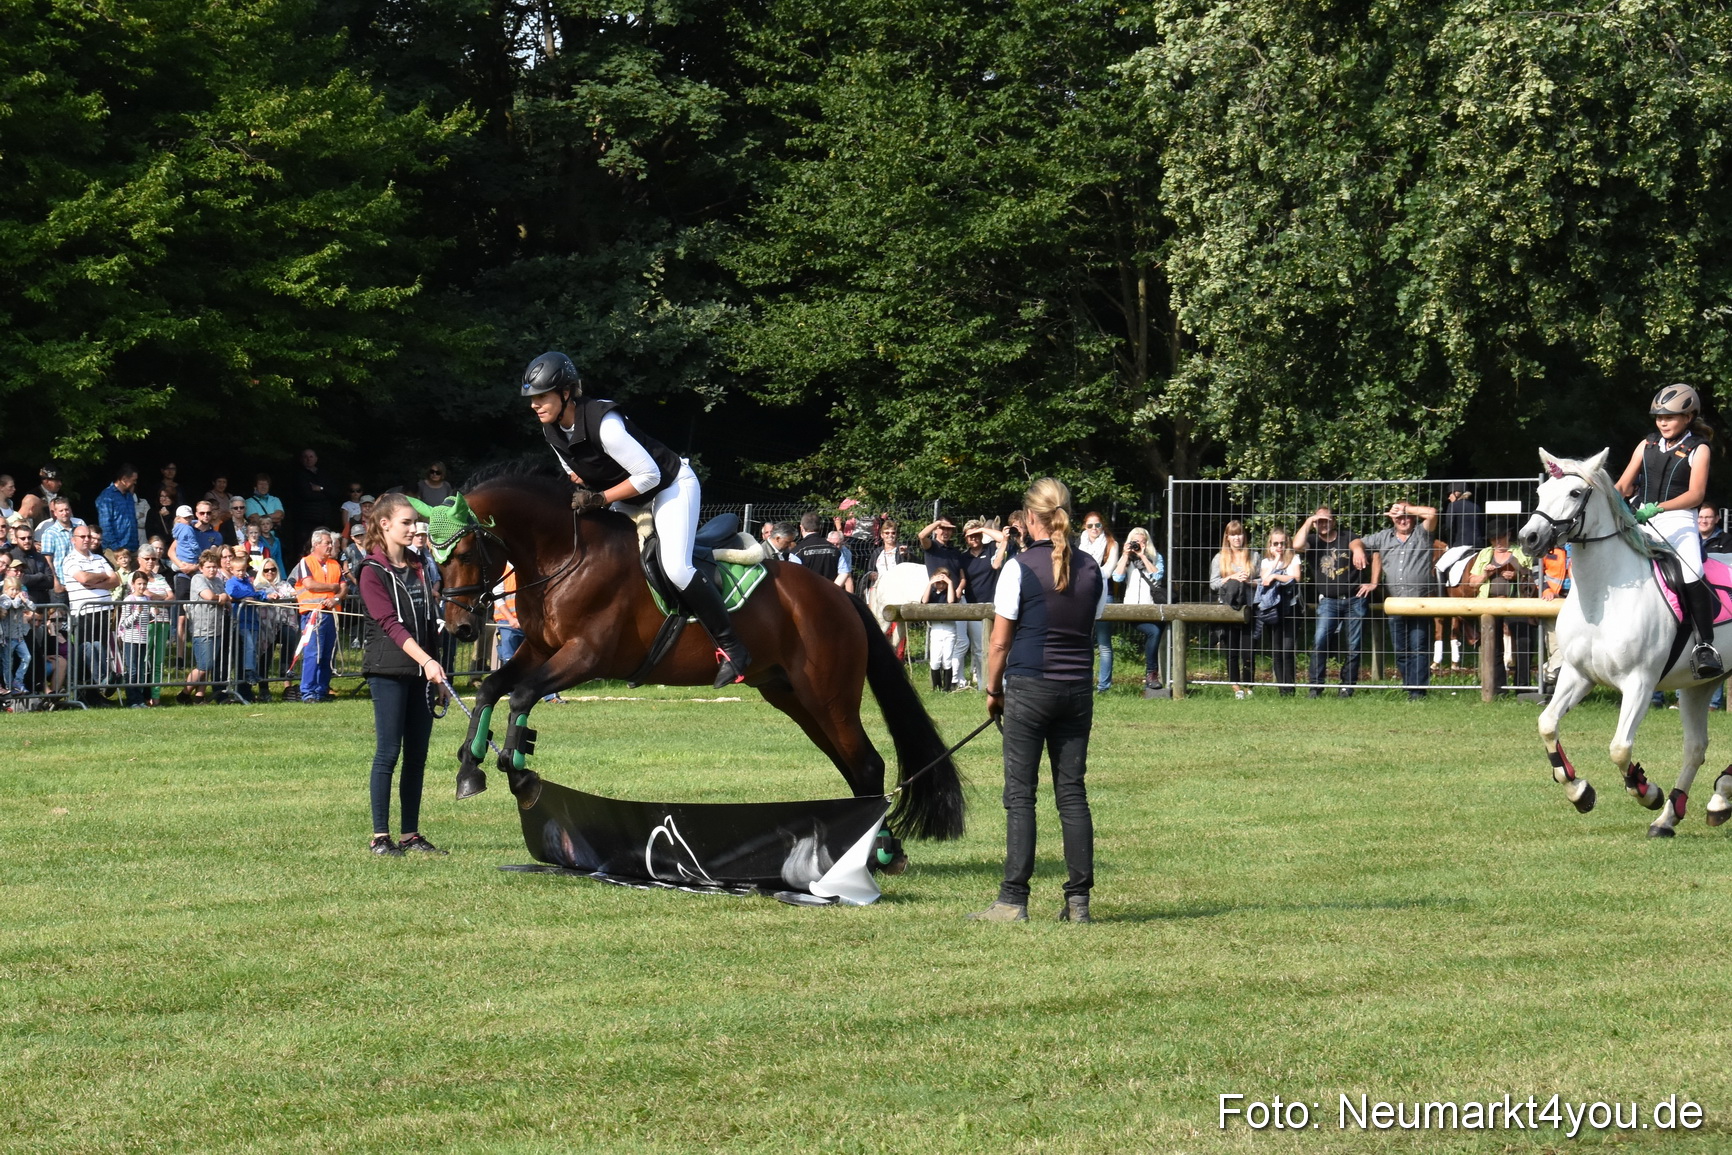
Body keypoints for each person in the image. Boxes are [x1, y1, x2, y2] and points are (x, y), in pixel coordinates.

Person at [523, 350, 749, 687]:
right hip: (627, 497)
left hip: (670, 486)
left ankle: (733, 647)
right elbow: (575, 471)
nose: (534, 405)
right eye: (532, 399)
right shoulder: (551, 430)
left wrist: (600, 498)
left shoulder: (605, 424)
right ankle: (638, 652)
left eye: (541, 397)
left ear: (566, 393)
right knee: (609, 562)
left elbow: (650, 475)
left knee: (676, 567)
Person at [972, 478, 1107, 924]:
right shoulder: (1092, 569)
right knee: (1072, 794)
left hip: (1030, 687)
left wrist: (993, 692)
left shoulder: (1018, 567)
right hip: (1077, 690)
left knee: (1020, 795)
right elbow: (1090, 622)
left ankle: (1013, 900)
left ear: (1030, 517)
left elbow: (999, 643)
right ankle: (1079, 903)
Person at [358, 493, 450, 856]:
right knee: (388, 753)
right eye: (406, 523)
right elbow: (390, 624)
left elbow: (429, 622)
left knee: (417, 756)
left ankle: (410, 835)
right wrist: (426, 661)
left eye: (415, 523)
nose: (413, 529)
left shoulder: (419, 564)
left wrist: (437, 672)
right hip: (388, 670)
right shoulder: (371, 570)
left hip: (422, 672)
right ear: (384, 525)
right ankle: (380, 836)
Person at [1614, 383, 1723, 677]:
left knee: (1691, 571)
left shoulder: (1699, 448)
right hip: (1640, 517)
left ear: (1688, 417)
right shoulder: (1646, 444)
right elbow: (1623, 485)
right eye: (1659, 417)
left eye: (1670, 417)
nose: (1662, 422)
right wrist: (1610, 502)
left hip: (1678, 518)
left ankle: (1705, 645)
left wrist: (1659, 508)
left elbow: (1696, 495)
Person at [1361, 500, 1440, 698]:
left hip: (1420, 602)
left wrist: (1404, 509)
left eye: (1407, 517)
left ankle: (1418, 691)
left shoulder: (1422, 533)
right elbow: (1356, 541)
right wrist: (1357, 551)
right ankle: (1409, 686)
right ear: (1392, 519)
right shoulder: (1383, 537)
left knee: (1419, 647)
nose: (1403, 521)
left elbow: (1432, 513)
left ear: (1413, 517)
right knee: (1401, 649)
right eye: (1398, 518)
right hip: (1395, 603)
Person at [1293, 506, 1367, 697]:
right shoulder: (1312, 541)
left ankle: (1347, 686)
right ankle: (1315, 687)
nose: (1323, 524)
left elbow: (1357, 543)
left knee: (1354, 645)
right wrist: (1309, 521)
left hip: (1354, 599)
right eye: (1319, 521)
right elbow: (1296, 545)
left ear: (1333, 521)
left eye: (1326, 520)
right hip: (1328, 602)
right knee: (1319, 642)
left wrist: (1358, 550)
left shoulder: (1346, 536)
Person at [1465, 519, 1537, 695]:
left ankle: (1522, 687)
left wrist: (1517, 575)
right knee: (1493, 646)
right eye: (1493, 538)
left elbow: (1533, 578)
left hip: (1517, 604)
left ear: (1508, 535)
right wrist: (1485, 575)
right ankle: (1497, 688)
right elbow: (1472, 582)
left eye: (1500, 537)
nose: (1497, 542)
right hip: (1490, 605)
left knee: (1523, 644)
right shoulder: (1484, 554)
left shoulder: (1521, 552)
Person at [61, 525, 118, 704]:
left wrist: (95, 581)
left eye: (88, 536)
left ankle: (97, 691)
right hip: (84, 613)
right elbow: (83, 578)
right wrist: (103, 576)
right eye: (82, 536)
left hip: (103, 611)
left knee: (99, 651)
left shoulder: (99, 558)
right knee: (86, 651)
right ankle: (85, 693)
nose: (87, 539)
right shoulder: (70, 559)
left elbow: (115, 580)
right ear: (73, 540)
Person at [292, 529, 346, 703]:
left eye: (331, 543)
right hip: (313, 613)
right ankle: (307, 692)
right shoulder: (306, 562)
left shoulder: (335, 564)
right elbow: (310, 584)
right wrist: (332, 587)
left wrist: (336, 598)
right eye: (327, 543)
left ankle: (321, 690)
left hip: (331, 613)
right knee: (313, 653)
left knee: (328, 653)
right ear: (316, 544)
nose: (330, 546)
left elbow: (344, 586)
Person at [1110, 525, 1166, 693]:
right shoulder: (1127, 559)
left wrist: (1143, 556)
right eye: (1134, 541)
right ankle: (1151, 674)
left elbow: (1158, 575)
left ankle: (1152, 676)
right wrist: (1125, 555)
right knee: (1153, 632)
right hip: (1132, 608)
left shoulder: (1156, 557)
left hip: (1152, 607)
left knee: (1155, 632)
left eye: (1141, 542)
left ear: (1146, 543)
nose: (1138, 544)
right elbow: (1117, 577)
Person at [958, 519, 1010, 690]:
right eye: (970, 536)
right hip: (974, 608)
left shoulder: (991, 549)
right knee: (980, 648)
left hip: (995, 605)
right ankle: (983, 684)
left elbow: (1003, 538)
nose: (974, 538)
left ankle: (1001, 681)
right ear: (965, 538)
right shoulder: (963, 558)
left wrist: (981, 529)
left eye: (976, 535)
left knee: (999, 644)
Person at [1209, 519, 1256, 699]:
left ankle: (1249, 685)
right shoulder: (1219, 558)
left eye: (1240, 534)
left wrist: (1249, 581)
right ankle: (1236, 686)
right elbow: (1213, 583)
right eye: (1233, 535)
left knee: (1248, 650)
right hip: (1228, 609)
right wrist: (1232, 578)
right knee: (1231, 650)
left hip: (1249, 608)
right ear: (1227, 537)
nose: (1237, 538)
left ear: (1244, 536)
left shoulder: (1254, 556)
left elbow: (1262, 580)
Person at [1077, 512, 1120, 693]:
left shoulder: (1112, 544)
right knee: (1082, 640)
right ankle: (1083, 682)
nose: (1094, 529)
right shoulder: (1079, 545)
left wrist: (1086, 573)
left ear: (1103, 526)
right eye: (1090, 526)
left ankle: (1104, 686)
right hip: (1082, 595)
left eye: (1097, 525)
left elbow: (1108, 571)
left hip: (1104, 593)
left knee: (1104, 643)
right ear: (1084, 527)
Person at [1257, 528, 1303, 695]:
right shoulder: (1266, 562)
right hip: (1273, 610)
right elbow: (1264, 580)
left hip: (1291, 608)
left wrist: (1276, 576)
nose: (1279, 547)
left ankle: (1289, 688)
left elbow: (1296, 578)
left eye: (1282, 543)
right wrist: (1276, 561)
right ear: (1270, 544)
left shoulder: (1294, 558)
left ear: (1287, 543)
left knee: (1288, 649)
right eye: (1275, 543)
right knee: (1276, 651)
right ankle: (1282, 690)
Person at [183, 549, 229, 703]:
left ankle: (199, 695)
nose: (212, 570)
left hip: (217, 627)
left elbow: (226, 598)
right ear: (201, 568)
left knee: (208, 665)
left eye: (214, 566)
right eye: (208, 567)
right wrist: (221, 597)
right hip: (201, 629)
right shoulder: (198, 579)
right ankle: (184, 693)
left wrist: (224, 597)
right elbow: (208, 596)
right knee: (204, 665)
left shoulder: (218, 581)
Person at [116, 570, 155, 707]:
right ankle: (132, 699)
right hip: (130, 639)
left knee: (140, 670)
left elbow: (147, 619)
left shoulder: (147, 599)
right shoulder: (129, 600)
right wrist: (136, 613)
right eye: (139, 584)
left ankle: (140, 699)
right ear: (133, 584)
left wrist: (153, 614)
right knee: (132, 670)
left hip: (143, 638)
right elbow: (124, 623)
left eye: (144, 584)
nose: (142, 587)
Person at [94, 464, 140, 561]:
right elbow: (105, 525)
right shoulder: (107, 496)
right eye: (133, 480)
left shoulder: (129, 495)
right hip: (115, 551)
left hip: (132, 548)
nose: (135, 483)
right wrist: (116, 548)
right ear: (124, 479)